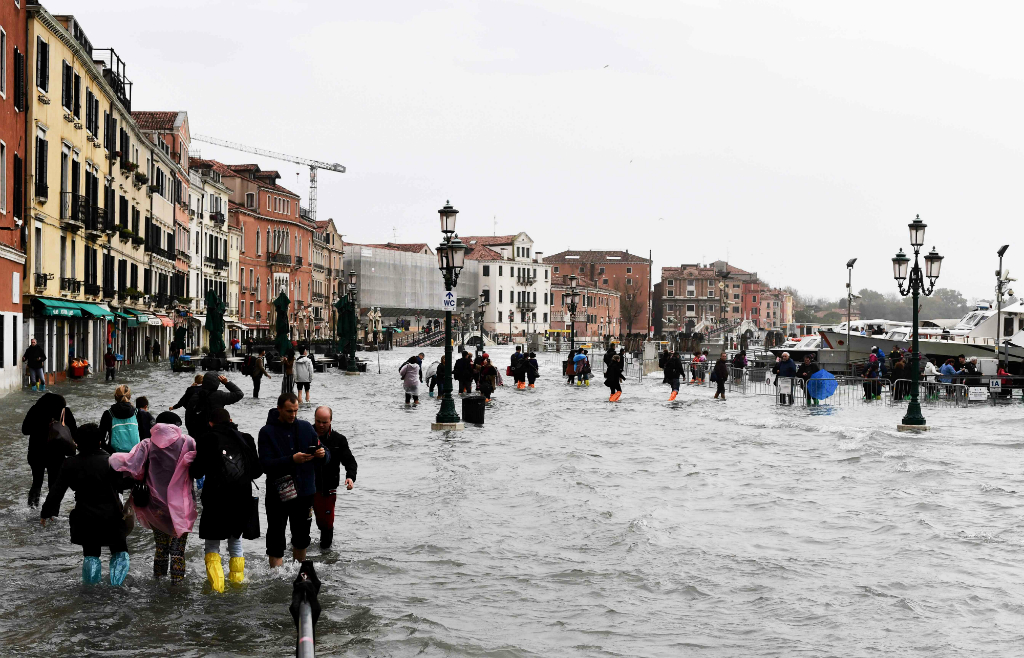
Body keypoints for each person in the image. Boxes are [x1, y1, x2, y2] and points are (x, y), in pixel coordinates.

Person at [108, 411, 197, 585]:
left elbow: (134, 468)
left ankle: (158, 582)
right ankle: (177, 586)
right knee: (178, 550)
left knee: (161, 547)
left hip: (155, 505)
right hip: (182, 505)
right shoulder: (188, 442)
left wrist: (110, 458)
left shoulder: (146, 445)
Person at [40, 424, 130, 586]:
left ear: (77, 443)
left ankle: (90, 591)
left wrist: (46, 512)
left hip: (85, 516)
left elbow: (57, 490)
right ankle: (117, 586)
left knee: (91, 554)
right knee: (120, 552)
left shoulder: (70, 463)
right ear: (100, 442)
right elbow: (123, 485)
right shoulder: (111, 461)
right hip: (111, 516)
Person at [191, 407, 261, 590]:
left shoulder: (207, 438)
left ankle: (217, 589)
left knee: (212, 545)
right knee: (235, 542)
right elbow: (257, 471)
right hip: (241, 499)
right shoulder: (246, 438)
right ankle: (238, 584)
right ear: (230, 420)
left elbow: (197, 471)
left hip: (216, 500)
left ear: (210, 423)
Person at [258, 393, 328, 568]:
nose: (293, 415)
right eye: (289, 411)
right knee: (275, 539)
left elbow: (325, 452)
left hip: (304, 492)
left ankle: (300, 573)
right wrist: (291, 460)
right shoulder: (266, 432)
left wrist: (323, 454)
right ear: (279, 409)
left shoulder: (306, 427)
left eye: (296, 411)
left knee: (302, 538)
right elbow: (264, 465)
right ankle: (275, 580)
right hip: (278, 494)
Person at [312, 406, 357, 551]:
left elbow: (350, 461)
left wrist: (350, 477)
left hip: (327, 489)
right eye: (318, 421)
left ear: (331, 421)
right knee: (300, 527)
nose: (321, 425)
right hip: (305, 488)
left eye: (325, 422)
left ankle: (326, 559)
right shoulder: (305, 435)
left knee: (326, 526)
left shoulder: (339, 439)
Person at [23, 393, 78, 508]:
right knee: (54, 485)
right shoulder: (64, 412)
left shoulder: (35, 410)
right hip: (56, 454)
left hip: (36, 453)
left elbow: (25, 430)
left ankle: (32, 509)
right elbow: (74, 432)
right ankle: (52, 513)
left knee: (37, 483)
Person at [185, 373, 244, 440]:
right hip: (217, 434)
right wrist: (226, 383)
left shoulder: (195, 396)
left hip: (198, 434)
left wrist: (192, 434)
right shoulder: (220, 395)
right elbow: (239, 394)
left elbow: (188, 417)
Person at [100, 385, 140, 453]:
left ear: (115, 397)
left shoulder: (108, 414)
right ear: (129, 397)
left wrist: (110, 452)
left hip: (115, 455)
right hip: (135, 454)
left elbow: (101, 438)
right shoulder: (138, 413)